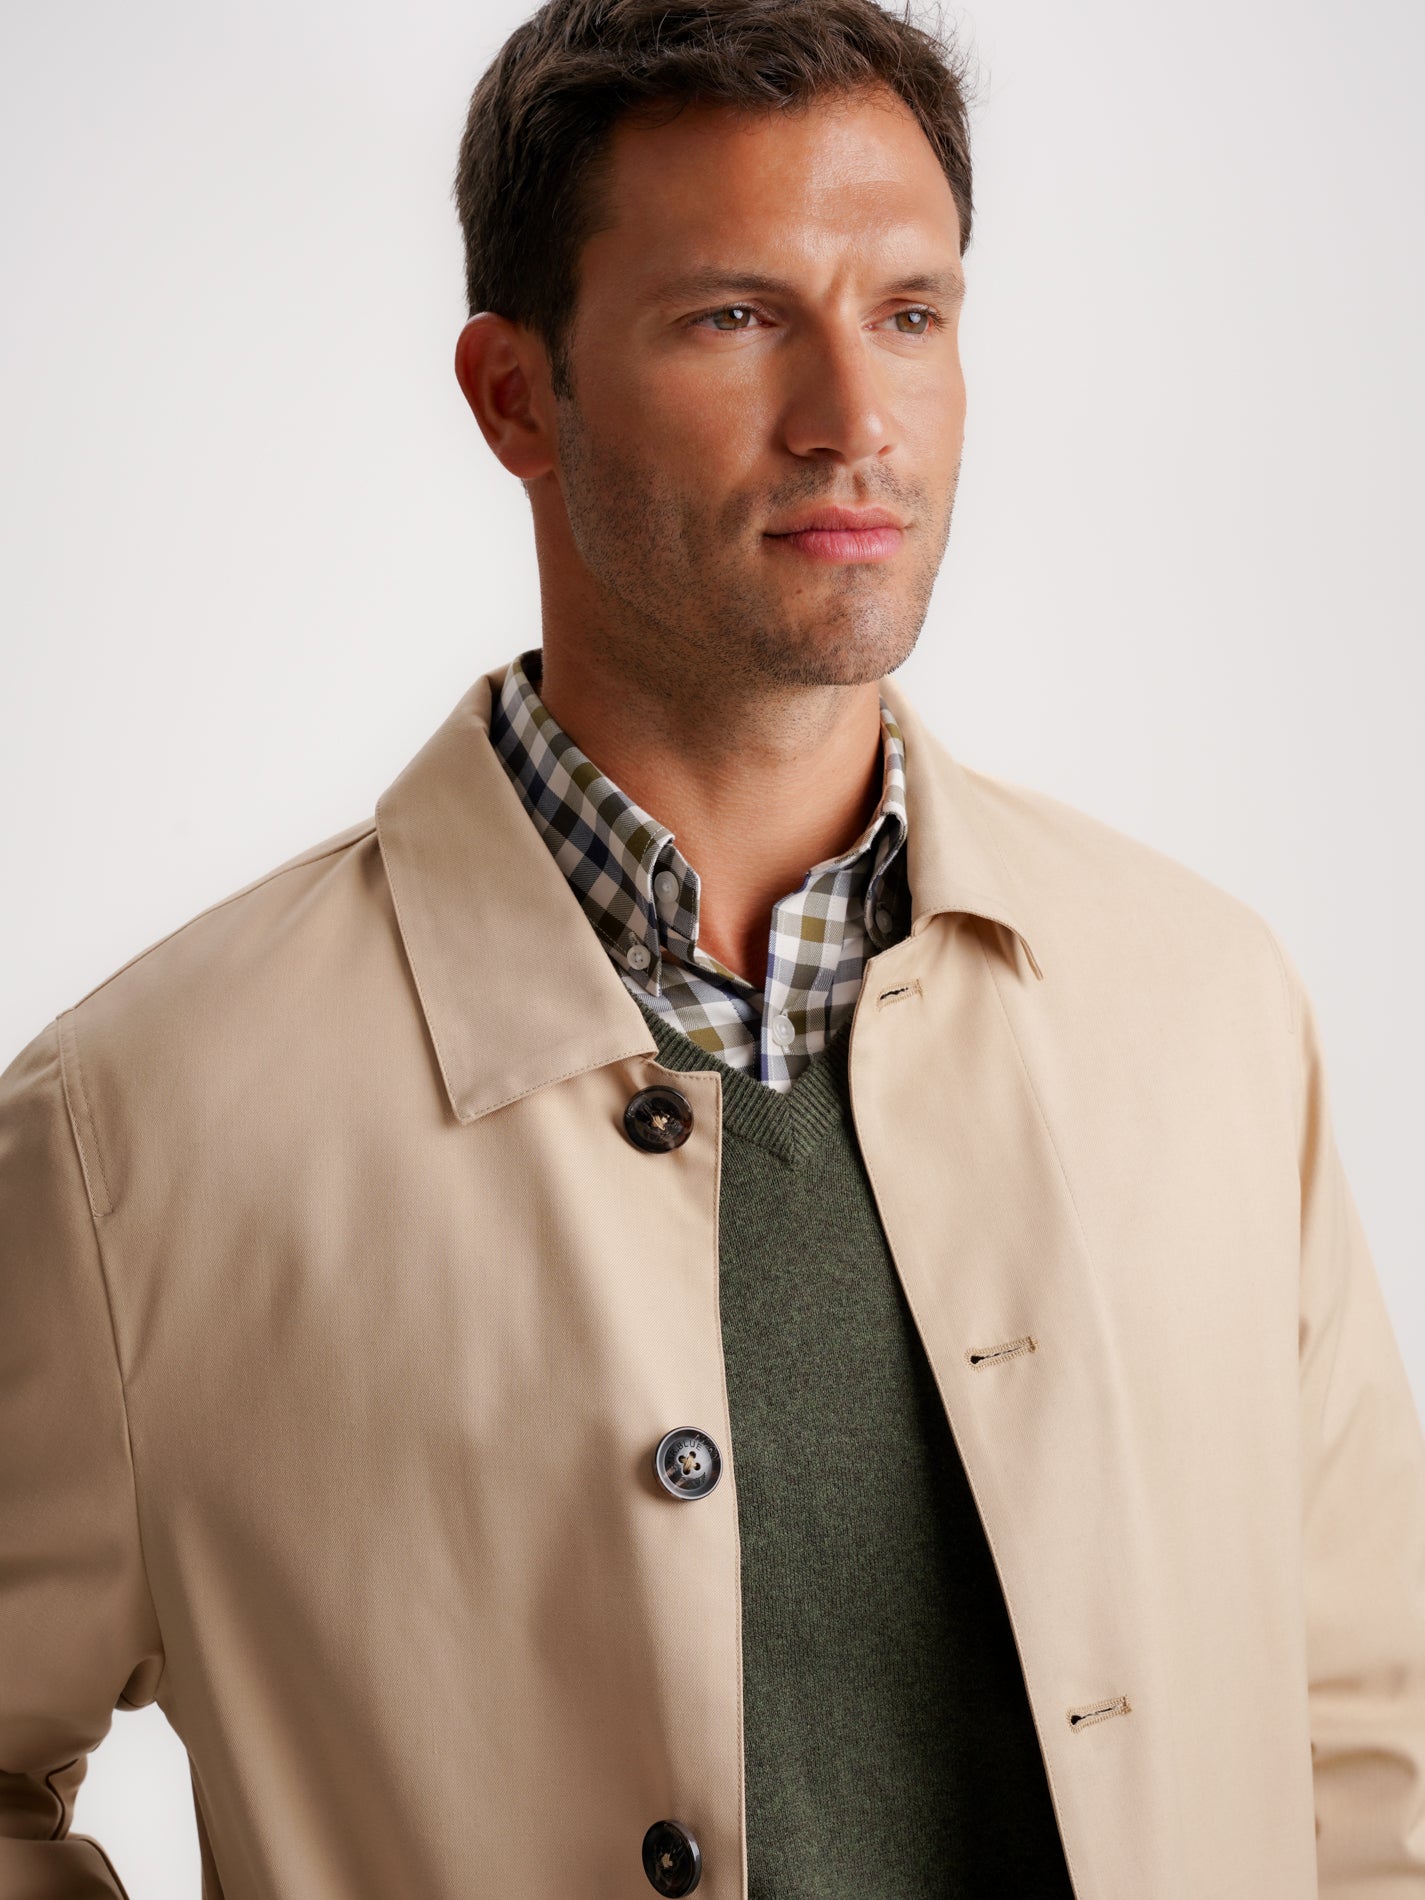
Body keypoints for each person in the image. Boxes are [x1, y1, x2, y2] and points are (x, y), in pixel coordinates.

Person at [2, 0, 1422, 1893]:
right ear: (515, 396)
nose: (853, 418)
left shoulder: (1199, 1004)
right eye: (736, 316)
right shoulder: (142, 1131)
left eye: (908, 312)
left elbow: (1364, 1750)